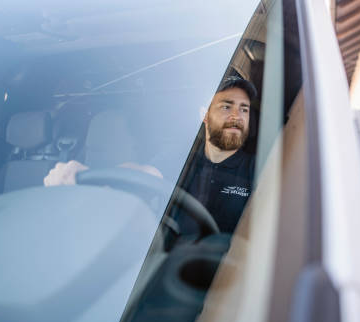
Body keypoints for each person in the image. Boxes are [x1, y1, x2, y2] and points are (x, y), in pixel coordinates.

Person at [44, 76, 257, 233]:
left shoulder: (258, 168)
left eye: (244, 109)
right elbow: (144, 174)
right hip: (168, 269)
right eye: (226, 107)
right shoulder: (182, 155)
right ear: (204, 115)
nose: (236, 116)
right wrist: (88, 177)